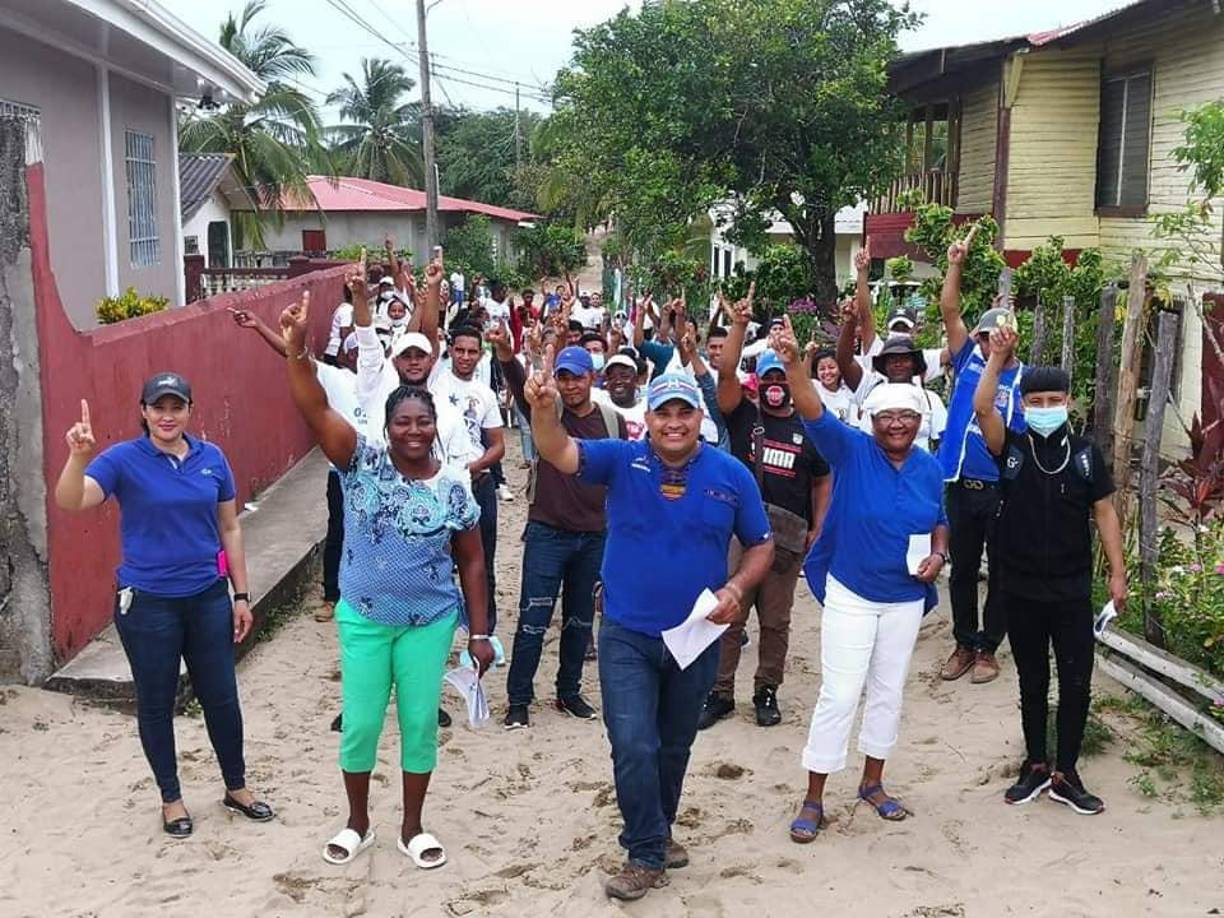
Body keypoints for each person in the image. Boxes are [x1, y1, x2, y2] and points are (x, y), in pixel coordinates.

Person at [526, 363, 774, 901]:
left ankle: (659, 829)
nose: (675, 422)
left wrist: (737, 589)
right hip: (626, 634)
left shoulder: (731, 475)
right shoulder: (621, 460)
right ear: (648, 418)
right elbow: (558, 451)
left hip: (696, 636)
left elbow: (761, 544)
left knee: (674, 745)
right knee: (633, 742)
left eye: (685, 411)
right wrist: (544, 412)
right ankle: (644, 852)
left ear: (699, 416)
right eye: (664, 412)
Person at [280, 293, 493, 868]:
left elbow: (472, 560)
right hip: (366, 619)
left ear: (435, 426)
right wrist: (297, 351)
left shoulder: (453, 486)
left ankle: (413, 827)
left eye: (423, 421)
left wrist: (479, 633)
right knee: (363, 724)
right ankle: (357, 823)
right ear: (388, 424)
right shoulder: (360, 462)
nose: (414, 430)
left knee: (420, 724)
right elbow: (315, 409)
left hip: (429, 622)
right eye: (404, 421)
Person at [54, 375, 272, 838]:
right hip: (148, 604)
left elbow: (230, 528)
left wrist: (241, 594)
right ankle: (171, 799)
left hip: (208, 598)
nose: (167, 415)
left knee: (221, 697)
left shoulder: (212, 459)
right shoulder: (122, 460)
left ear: (191, 409)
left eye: (176, 406)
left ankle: (236, 787)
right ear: (144, 411)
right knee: (156, 703)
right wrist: (77, 457)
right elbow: (72, 500)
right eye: (159, 407)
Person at [769, 318, 949, 844]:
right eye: (887, 416)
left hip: (904, 598)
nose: (897, 424)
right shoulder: (850, 449)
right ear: (871, 419)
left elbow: (939, 520)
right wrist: (791, 363)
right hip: (851, 590)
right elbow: (812, 410)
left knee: (889, 691)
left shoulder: (929, 467)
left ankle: (873, 783)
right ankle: (814, 795)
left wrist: (939, 554)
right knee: (841, 693)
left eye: (906, 417)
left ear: (919, 421)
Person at [973, 328, 1127, 815]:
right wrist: (997, 359)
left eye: (1053, 399)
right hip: (1019, 587)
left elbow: (1105, 513)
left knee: (1077, 681)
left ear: (1068, 401)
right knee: (1032, 679)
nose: (1045, 407)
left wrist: (1118, 575)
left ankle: (1067, 771)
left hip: (1071, 589)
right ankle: (1036, 764)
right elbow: (982, 410)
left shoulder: (1084, 455)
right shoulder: (1013, 449)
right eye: (1035, 400)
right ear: (1024, 404)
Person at [702, 296, 832, 729]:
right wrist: (738, 326)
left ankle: (766, 690)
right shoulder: (743, 417)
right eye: (769, 377)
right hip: (741, 531)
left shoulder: (810, 427)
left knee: (776, 621)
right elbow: (724, 374)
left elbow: (822, 478)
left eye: (783, 376)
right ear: (759, 382)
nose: (777, 383)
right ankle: (720, 692)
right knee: (728, 613)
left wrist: (820, 525)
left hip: (788, 536)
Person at [492, 330, 627, 729]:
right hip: (547, 531)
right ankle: (519, 698)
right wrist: (505, 352)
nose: (569, 385)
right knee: (533, 618)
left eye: (577, 377)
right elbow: (519, 385)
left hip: (594, 535)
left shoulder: (611, 421)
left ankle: (569, 692)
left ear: (592, 379)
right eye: (564, 377)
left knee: (580, 619)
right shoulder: (547, 411)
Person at [228, 306, 365, 623]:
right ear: (345, 355)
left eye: (364, 349)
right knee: (339, 532)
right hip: (343, 473)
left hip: (382, 474)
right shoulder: (335, 377)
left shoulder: (388, 380)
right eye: (353, 350)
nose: (359, 355)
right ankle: (333, 596)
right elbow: (294, 354)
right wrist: (260, 325)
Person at [938, 230, 1027, 685]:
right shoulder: (969, 358)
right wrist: (956, 263)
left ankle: (989, 647)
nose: (993, 340)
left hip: (1002, 490)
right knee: (962, 569)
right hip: (960, 483)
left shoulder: (1026, 382)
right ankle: (963, 642)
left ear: (1012, 338)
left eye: (1001, 334)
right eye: (987, 333)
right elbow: (949, 309)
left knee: (1004, 571)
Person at [430, 324, 506, 644]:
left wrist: (474, 466)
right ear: (450, 350)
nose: (465, 357)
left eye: (472, 351)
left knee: (482, 559)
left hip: (478, 484)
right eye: (459, 350)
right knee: (439, 559)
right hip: (439, 485)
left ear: (480, 354)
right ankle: (438, 628)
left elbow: (498, 445)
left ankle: (484, 631)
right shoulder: (434, 384)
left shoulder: (485, 394)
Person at [839, 331, 947, 453]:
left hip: (915, 469)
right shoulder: (869, 388)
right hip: (873, 468)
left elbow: (944, 442)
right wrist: (850, 324)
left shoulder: (930, 399)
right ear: (885, 365)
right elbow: (844, 362)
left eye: (904, 359)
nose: (898, 364)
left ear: (914, 364)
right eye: (892, 359)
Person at [600, 352, 647, 440]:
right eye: (611, 378)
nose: (618, 381)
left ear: (636, 380)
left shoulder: (648, 407)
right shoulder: (600, 402)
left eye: (624, 376)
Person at [810, 346, 858, 424]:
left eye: (831, 367)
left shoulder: (849, 389)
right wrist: (808, 355)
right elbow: (802, 379)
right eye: (822, 369)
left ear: (840, 369)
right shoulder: (814, 387)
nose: (827, 372)